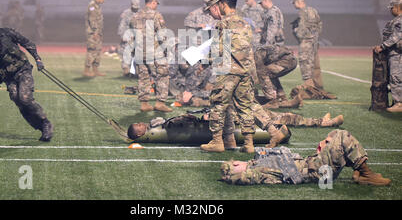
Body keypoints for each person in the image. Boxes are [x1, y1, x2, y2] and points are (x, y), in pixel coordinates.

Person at [200, 0, 288, 154]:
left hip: (228, 70)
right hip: (245, 71)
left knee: (218, 103)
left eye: (219, 4)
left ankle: (217, 141)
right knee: (245, 106)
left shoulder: (224, 23)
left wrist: (204, 61)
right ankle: (248, 144)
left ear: (223, 4)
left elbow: (220, 48)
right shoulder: (245, 23)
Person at [0, 11, 53, 141]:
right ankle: (41, 128)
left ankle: (45, 123)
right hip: (8, 77)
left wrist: (38, 59)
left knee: (24, 98)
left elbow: (27, 43)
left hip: (23, 70)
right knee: (18, 100)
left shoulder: (5, 33)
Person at [220, 129, 391, 186]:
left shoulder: (257, 162)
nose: (236, 162)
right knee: (341, 135)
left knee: (331, 136)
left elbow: (281, 153)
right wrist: (237, 173)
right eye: (234, 165)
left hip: (312, 163)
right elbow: (244, 177)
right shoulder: (257, 174)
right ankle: (366, 174)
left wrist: (251, 161)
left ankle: (357, 171)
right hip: (319, 174)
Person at [127, 109, 343, 144]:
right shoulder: (170, 127)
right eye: (139, 125)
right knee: (273, 116)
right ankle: (323, 122)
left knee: (273, 115)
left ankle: (321, 121)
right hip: (231, 116)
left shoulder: (162, 127)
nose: (142, 123)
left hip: (226, 116)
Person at [130, 0, 172, 113]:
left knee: (143, 77)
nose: (156, 6)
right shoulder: (156, 15)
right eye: (156, 4)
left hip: (139, 52)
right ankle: (160, 103)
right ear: (153, 2)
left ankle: (144, 104)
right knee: (163, 75)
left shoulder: (135, 15)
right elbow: (162, 33)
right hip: (154, 52)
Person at [374, 0, 402, 112]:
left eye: (391, 8)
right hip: (396, 53)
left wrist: (382, 46)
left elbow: (395, 37)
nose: (390, 10)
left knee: (396, 77)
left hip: (397, 54)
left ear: (396, 7)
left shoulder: (399, 21)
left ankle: (399, 103)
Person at [291, 0, 324, 89]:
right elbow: (319, 24)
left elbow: (302, 27)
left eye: (294, 3)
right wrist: (315, 35)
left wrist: (297, 33)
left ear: (298, 2)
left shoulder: (302, 12)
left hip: (306, 41)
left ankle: (308, 85)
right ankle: (318, 84)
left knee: (304, 61)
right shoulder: (313, 10)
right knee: (314, 62)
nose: (294, 5)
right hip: (314, 41)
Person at [254, 44, 299, 109]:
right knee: (271, 75)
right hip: (291, 60)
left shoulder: (256, 54)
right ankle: (282, 99)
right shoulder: (257, 50)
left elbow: (261, 73)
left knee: (264, 74)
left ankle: (273, 101)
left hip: (286, 61)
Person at [83, 0, 107, 77]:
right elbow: (92, 20)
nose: (103, 0)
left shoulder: (97, 6)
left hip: (98, 33)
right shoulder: (92, 6)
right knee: (92, 51)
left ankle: (95, 70)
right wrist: (95, 32)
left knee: (97, 51)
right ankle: (86, 70)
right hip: (93, 33)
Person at [118, 0, 140, 76]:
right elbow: (122, 25)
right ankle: (126, 69)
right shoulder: (126, 13)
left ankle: (136, 70)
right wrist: (122, 35)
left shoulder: (140, 13)